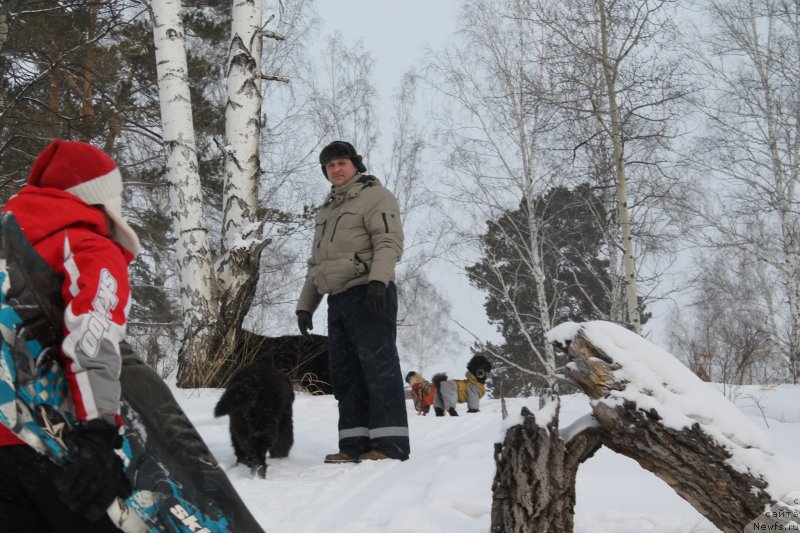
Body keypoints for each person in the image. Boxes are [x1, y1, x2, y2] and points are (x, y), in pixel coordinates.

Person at [0, 140, 140, 532]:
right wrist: (98, 431)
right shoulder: (86, 245)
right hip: (54, 440)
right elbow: (92, 335)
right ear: (103, 199)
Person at [296, 141, 410, 463]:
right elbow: (316, 262)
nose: (336, 169)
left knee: (378, 367)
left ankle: (390, 445)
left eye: (341, 163)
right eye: (329, 166)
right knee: (345, 374)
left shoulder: (376, 197)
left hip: (369, 291)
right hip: (338, 298)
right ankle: (354, 444)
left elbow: (388, 241)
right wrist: (306, 305)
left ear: (355, 165)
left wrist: (379, 280)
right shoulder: (326, 211)